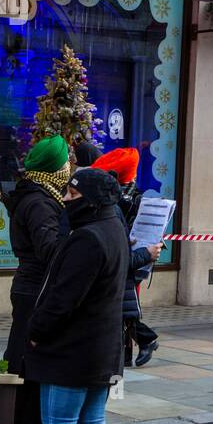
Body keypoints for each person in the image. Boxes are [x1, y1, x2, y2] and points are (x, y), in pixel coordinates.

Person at [11, 167, 129, 424]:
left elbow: (63, 298)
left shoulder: (87, 239)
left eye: (74, 197)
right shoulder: (115, 230)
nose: (66, 202)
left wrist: (36, 331)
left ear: (92, 199)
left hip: (71, 349)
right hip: (103, 347)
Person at [4, 134, 69, 424]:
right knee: (29, 364)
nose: (69, 166)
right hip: (36, 290)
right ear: (54, 167)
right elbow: (49, 249)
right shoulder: (40, 202)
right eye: (65, 161)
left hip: (30, 287)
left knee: (25, 360)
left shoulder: (38, 194)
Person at [92, 147, 163, 369]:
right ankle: (137, 345)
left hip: (130, 256)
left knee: (121, 305)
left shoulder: (131, 198)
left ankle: (140, 343)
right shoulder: (121, 194)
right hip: (124, 255)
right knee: (121, 306)